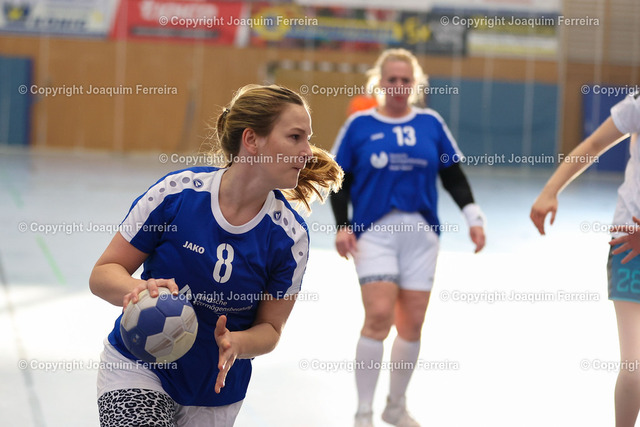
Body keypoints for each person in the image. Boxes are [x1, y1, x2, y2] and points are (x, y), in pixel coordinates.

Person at [89, 84, 343, 427]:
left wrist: (237, 342)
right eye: (295, 137)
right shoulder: (176, 194)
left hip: (216, 391)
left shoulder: (289, 237)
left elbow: (271, 328)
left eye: (307, 139)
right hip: (138, 367)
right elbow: (104, 272)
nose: (308, 152)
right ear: (251, 140)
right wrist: (138, 291)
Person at [330, 48, 486, 427]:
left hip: (421, 235)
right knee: (378, 316)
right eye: (392, 79)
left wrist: (473, 217)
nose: (399, 86)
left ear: (415, 85)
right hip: (374, 233)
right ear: (379, 83)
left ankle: (395, 406)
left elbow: (453, 175)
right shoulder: (359, 125)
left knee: (412, 323)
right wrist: (342, 225)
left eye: (405, 80)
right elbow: (340, 180)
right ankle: (363, 411)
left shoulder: (431, 123)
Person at [530, 90, 640, 427]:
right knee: (634, 368)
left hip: (633, 238)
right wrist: (550, 190)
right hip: (629, 244)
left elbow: (594, 144)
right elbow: (594, 144)